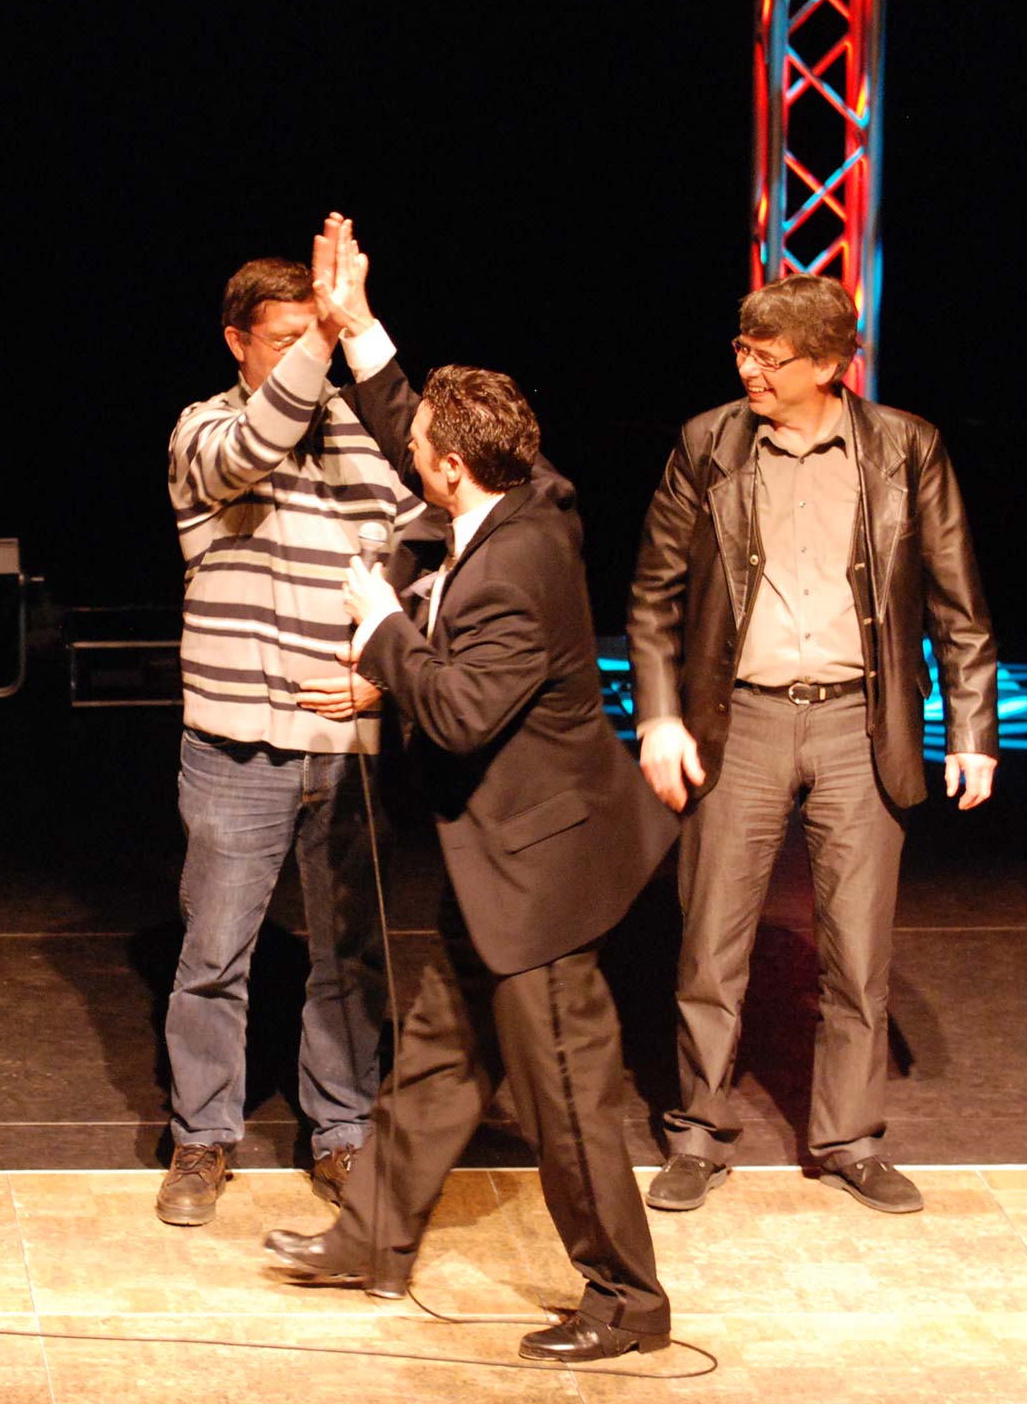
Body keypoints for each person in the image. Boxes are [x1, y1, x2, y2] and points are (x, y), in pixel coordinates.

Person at [264, 366, 678, 1363]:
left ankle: (627, 1300)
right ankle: (371, 1237)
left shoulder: (511, 571)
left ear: (453, 469)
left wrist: (380, 626)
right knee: (438, 1058)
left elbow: (455, 714)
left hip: (543, 877)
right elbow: (429, 429)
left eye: (418, 452)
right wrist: (363, 339)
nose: (406, 456)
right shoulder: (536, 496)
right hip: (497, 863)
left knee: (566, 1098)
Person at [627, 273, 999, 1215]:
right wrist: (661, 715)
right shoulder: (708, 444)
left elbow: (958, 602)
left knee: (857, 952)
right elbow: (654, 596)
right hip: (741, 719)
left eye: (769, 357)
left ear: (830, 365)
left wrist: (971, 730)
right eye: (742, 350)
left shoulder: (906, 447)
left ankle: (849, 1139)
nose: (748, 370)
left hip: (857, 723)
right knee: (710, 945)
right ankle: (699, 1132)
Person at [157, 216, 423, 1225]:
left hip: (348, 747)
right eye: (284, 338)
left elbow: (437, 538)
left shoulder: (368, 435)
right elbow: (255, 446)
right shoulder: (203, 430)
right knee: (214, 955)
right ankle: (202, 1137)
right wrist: (324, 334)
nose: (306, 358)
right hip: (238, 745)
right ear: (237, 341)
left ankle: (342, 1131)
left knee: (348, 957)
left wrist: (389, 675)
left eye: (316, 337)